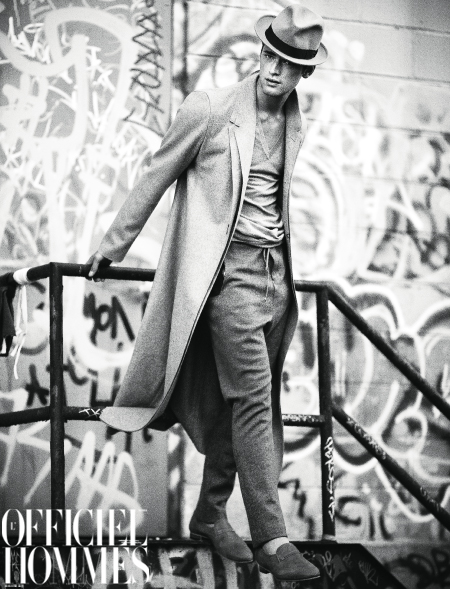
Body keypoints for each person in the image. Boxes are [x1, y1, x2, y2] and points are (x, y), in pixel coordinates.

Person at [87, 4, 327, 582]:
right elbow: (157, 173)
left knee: (236, 404)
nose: (274, 69)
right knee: (255, 402)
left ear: (304, 72)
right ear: (260, 53)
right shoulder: (211, 109)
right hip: (230, 278)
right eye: (269, 54)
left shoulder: (295, 122)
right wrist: (113, 246)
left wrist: (281, 277)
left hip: (277, 280)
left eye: (288, 63)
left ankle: (210, 513)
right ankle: (272, 538)